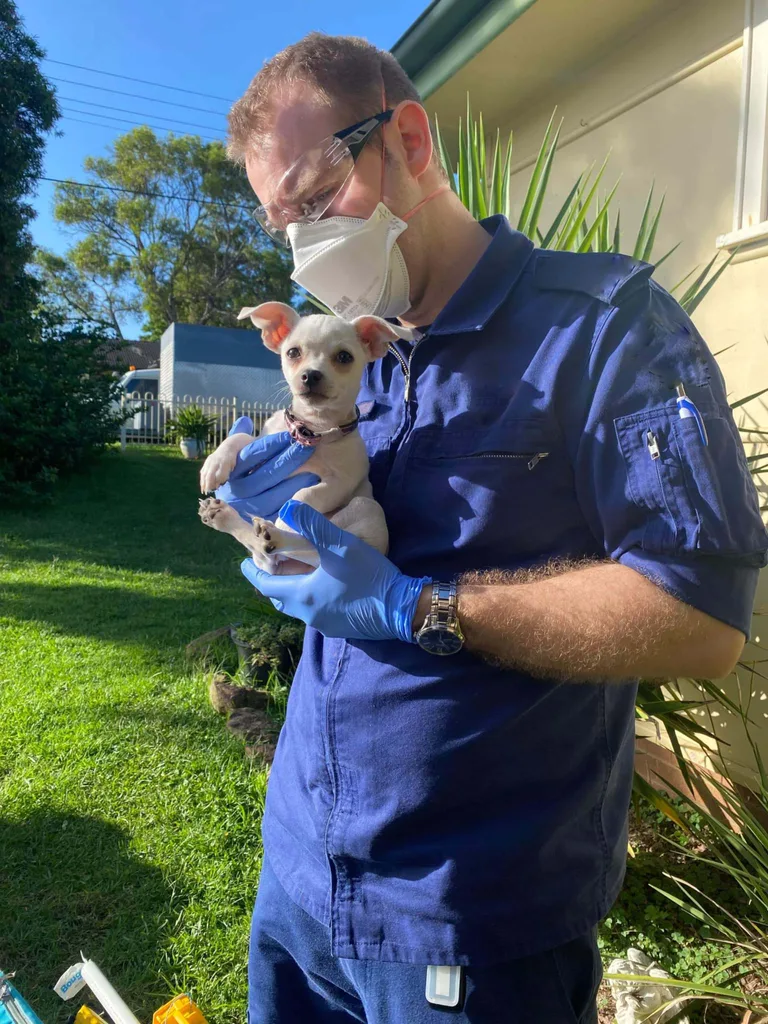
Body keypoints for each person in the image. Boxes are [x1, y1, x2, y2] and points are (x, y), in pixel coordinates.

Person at [217, 32, 768, 1024]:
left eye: (314, 194)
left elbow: (700, 621)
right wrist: (266, 505)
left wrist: (418, 606)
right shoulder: (357, 356)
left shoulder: (607, 329)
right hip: (298, 884)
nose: (302, 242)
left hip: (468, 932)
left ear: (412, 141)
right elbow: (333, 529)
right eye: (280, 220)